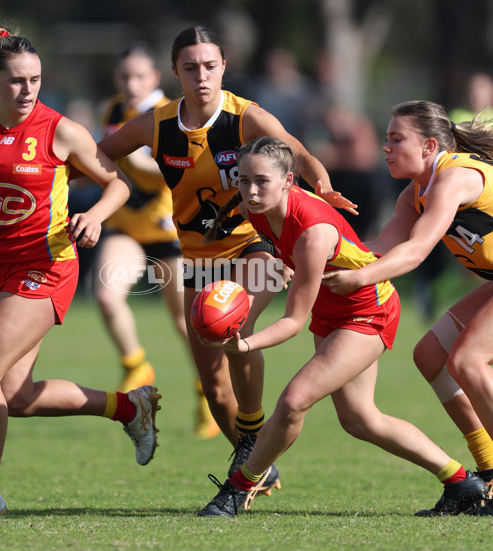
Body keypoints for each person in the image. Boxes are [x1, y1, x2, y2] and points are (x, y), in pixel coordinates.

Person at [97, 26, 356, 499]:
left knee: (232, 323)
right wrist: (113, 188)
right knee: (215, 388)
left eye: (210, 65)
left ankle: (253, 436)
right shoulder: (155, 124)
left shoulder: (244, 117)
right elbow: (97, 154)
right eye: (191, 67)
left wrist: (320, 182)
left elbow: (296, 150)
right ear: (175, 71)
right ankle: (255, 460)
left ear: (223, 67)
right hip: (197, 258)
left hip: (253, 246)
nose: (201, 76)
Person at [0, 25, 161, 517]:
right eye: (16, 80)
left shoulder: (58, 129)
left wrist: (95, 216)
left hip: (48, 263)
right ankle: (129, 407)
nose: (28, 89)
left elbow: (116, 184)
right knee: (14, 395)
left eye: (35, 79)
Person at [197, 136, 487, 517]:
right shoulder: (258, 210)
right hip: (332, 311)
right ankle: (462, 483)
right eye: (244, 180)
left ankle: (237, 490)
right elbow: (280, 266)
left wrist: (245, 345)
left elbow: (293, 321)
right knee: (360, 419)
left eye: (261, 181)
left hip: (368, 311)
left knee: (293, 401)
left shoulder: (312, 231)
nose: (250, 191)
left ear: (288, 181)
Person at [322, 100, 493, 515]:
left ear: (429, 146)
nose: (386, 147)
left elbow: (415, 251)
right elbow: (377, 250)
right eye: (386, 138)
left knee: (468, 361)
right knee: (430, 355)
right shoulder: (414, 192)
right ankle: (488, 469)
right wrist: (312, 252)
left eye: (397, 139)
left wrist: (361, 278)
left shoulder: (452, 178)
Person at [94, 42, 219, 438]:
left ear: (155, 77)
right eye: (124, 76)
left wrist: (125, 156)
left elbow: (163, 174)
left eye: (139, 76)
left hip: (169, 231)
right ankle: (135, 365)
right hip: (127, 227)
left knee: (187, 325)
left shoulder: (170, 114)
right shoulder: (113, 110)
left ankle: (207, 391)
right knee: (105, 295)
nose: (131, 83)